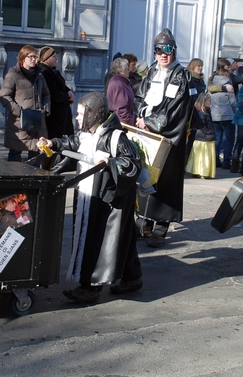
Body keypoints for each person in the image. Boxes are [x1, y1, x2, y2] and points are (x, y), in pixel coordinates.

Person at [38, 92, 142, 303]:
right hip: (91, 194)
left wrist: (110, 162)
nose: (76, 117)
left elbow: (132, 165)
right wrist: (53, 143)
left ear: (93, 114)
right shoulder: (87, 133)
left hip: (107, 200)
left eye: (80, 113)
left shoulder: (115, 137)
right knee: (122, 239)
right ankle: (132, 277)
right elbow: (71, 142)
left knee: (100, 240)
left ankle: (91, 287)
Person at [134, 28, 192, 247]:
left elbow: (175, 109)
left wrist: (150, 122)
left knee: (166, 181)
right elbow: (139, 96)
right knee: (146, 176)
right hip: (147, 134)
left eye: (167, 49)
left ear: (174, 51)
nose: (163, 54)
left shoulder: (181, 75)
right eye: (159, 50)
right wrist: (141, 117)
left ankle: (161, 227)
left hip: (168, 137)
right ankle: (144, 224)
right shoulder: (151, 72)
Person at [0, 45, 50, 163]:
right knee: (15, 152)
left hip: (37, 120)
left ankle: (34, 179)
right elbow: (4, 96)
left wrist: (45, 109)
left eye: (35, 57)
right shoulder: (13, 75)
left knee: (36, 153)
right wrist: (19, 112)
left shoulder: (39, 75)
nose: (34, 59)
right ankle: (14, 179)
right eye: (31, 56)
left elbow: (46, 94)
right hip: (19, 122)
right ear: (23, 58)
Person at [37, 46, 75, 140]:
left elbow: (61, 85)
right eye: (53, 57)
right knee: (55, 140)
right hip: (54, 115)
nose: (56, 59)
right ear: (46, 58)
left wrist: (69, 91)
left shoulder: (53, 71)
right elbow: (54, 93)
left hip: (61, 113)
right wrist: (67, 97)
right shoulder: (45, 72)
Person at [208, 58, 236, 169]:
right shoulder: (228, 85)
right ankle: (226, 161)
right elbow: (233, 102)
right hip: (227, 114)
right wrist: (235, 112)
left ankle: (215, 160)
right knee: (229, 138)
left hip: (214, 114)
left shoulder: (212, 83)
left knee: (217, 138)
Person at [185, 93, 216, 178]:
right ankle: (203, 172)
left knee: (199, 156)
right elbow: (201, 125)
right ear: (203, 101)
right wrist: (208, 131)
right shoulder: (201, 113)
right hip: (203, 137)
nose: (211, 103)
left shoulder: (206, 111)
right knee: (203, 157)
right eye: (209, 101)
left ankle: (198, 171)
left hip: (201, 137)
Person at [106, 57, 136, 126]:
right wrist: (130, 124)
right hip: (122, 125)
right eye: (127, 69)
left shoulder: (122, 82)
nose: (128, 71)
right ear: (121, 71)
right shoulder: (118, 84)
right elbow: (121, 110)